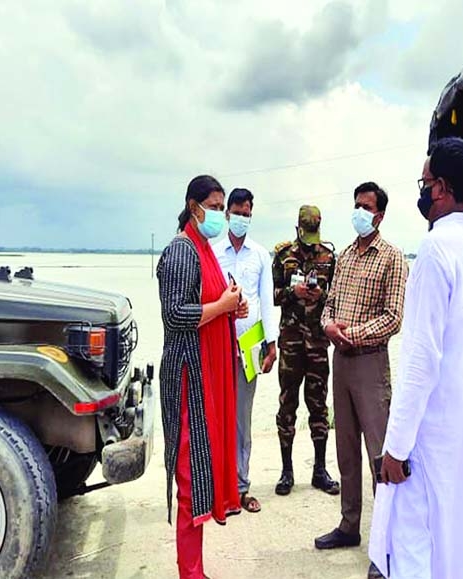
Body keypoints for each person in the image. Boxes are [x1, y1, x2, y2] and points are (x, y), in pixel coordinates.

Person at [369, 137, 463, 578]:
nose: (422, 191)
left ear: (441, 188)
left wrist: (396, 447)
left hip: (433, 432)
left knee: (415, 545)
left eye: (424, 183)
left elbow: (421, 359)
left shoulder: (434, 249)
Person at [157, 175, 248, 579]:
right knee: (190, 479)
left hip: (205, 373)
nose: (218, 213)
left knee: (201, 473)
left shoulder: (204, 248)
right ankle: (189, 572)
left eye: (220, 205)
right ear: (193, 206)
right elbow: (175, 315)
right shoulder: (181, 252)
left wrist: (232, 307)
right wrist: (220, 305)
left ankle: (196, 569)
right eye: (213, 205)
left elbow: (208, 302)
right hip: (188, 375)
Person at [315, 183, 408, 566]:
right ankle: (349, 525)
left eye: (366, 207)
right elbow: (329, 304)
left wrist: (350, 334)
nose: (360, 212)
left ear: (380, 215)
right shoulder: (347, 256)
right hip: (342, 363)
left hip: (370, 363)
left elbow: (394, 317)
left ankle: (386, 543)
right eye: (356, 205)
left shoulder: (392, 258)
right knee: (346, 450)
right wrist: (327, 326)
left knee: (377, 455)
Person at [213, 187, 278, 514]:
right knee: (216, 415)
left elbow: (266, 300)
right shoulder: (213, 251)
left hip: (250, 341)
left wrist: (271, 342)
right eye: (237, 212)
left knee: (242, 419)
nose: (241, 218)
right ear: (227, 215)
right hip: (216, 342)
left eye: (247, 214)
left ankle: (240, 487)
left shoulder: (260, 255)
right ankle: (216, 489)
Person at [272, 205, 340, 496]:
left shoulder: (328, 256)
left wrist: (320, 294)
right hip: (290, 343)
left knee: (318, 407)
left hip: (316, 344)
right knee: (287, 405)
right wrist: (292, 293)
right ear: (298, 227)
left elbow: (335, 298)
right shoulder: (283, 255)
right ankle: (287, 472)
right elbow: (272, 296)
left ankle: (319, 470)